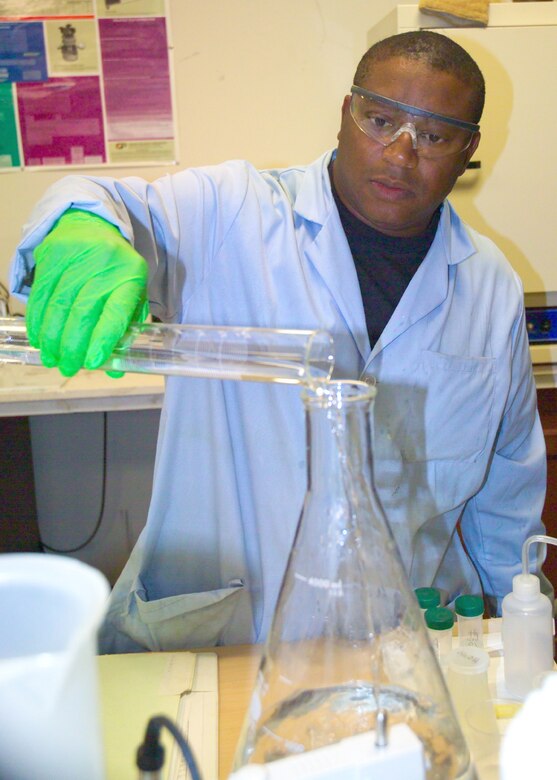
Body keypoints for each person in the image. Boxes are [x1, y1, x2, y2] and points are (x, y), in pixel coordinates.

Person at [10, 31, 550, 653]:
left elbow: (504, 488)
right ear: (346, 112)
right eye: (381, 120)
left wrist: (516, 625)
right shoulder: (234, 212)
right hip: (233, 632)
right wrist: (82, 226)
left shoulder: (489, 287)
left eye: (433, 136)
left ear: (468, 149)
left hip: (409, 640)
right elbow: (111, 201)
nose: (401, 154)